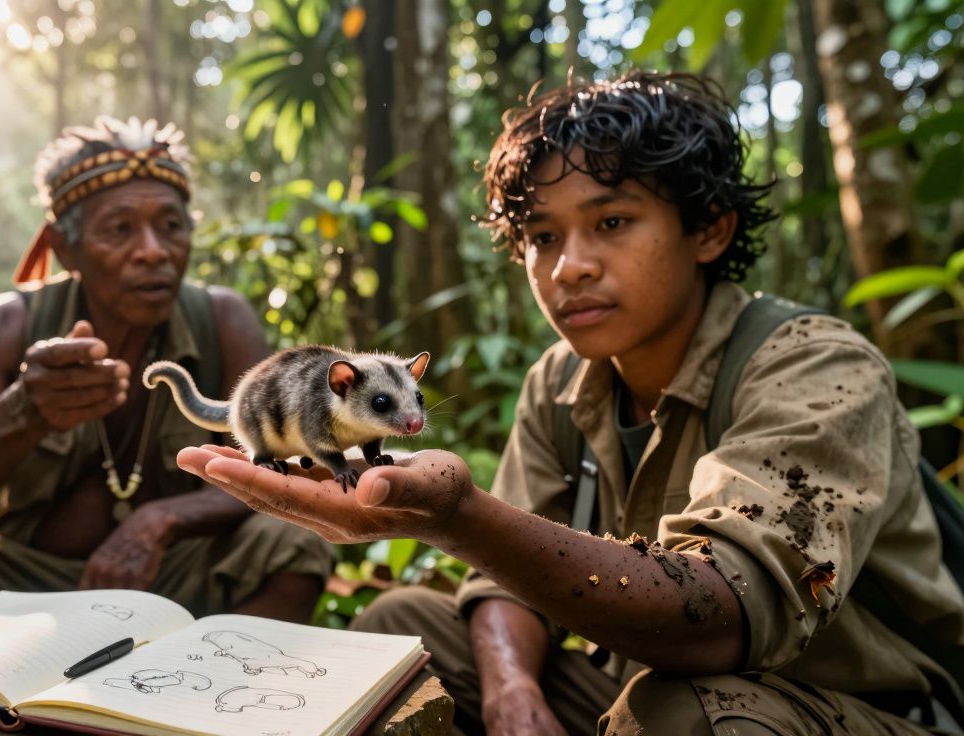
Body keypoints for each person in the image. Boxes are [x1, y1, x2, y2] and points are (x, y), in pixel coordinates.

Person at [176, 72, 964, 734]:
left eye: (612, 222)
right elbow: (498, 585)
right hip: (634, 680)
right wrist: (513, 688)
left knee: (686, 711)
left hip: (848, 709)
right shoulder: (559, 381)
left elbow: (723, 615)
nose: (569, 268)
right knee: (400, 628)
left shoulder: (814, 366)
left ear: (710, 231)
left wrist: (458, 516)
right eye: (543, 237)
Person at [0, 117, 333, 622]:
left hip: (171, 580)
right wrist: (26, 411)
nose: (153, 252)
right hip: (20, 587)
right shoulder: (4, 324)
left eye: (171, 226)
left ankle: (226, 684)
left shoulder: (223, 321)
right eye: (119, 229)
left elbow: (285, 471)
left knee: (291, 540)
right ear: (64, 249)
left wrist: (158, 520)